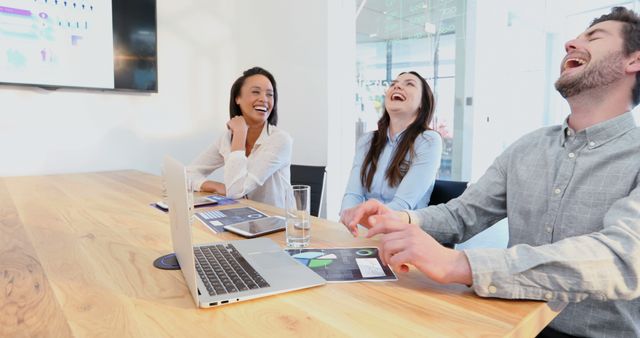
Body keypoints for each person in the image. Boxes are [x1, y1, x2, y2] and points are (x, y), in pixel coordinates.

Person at [340, 7, 640, 338]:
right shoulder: (526, 148)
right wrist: (405, 220)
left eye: (594, 37)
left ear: (634, 61)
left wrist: (461, 265)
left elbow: (623, 258)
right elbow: (462, 214)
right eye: (575, 37)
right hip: (506, 325)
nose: (570, 43)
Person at [340, 71, 442, 217]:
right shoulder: (367, 141)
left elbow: (402, 206)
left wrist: (360, 222)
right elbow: (352, 195)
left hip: (403, 232)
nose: (397, 87)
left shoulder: (428, 141)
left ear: (422, 103)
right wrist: (347, 220)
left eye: (409, 84)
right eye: (393, 84)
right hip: (364, 230)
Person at [188, 67, 291, 208]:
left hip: (274, 223)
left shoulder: (280, 140)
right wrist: (216, 186)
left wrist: (240, 134)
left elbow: (236, 192)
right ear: (238, 98)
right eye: (256, 92)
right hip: (240, 217)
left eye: (270, 94)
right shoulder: (226, 137)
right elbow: (188, 174)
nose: (264, 99)